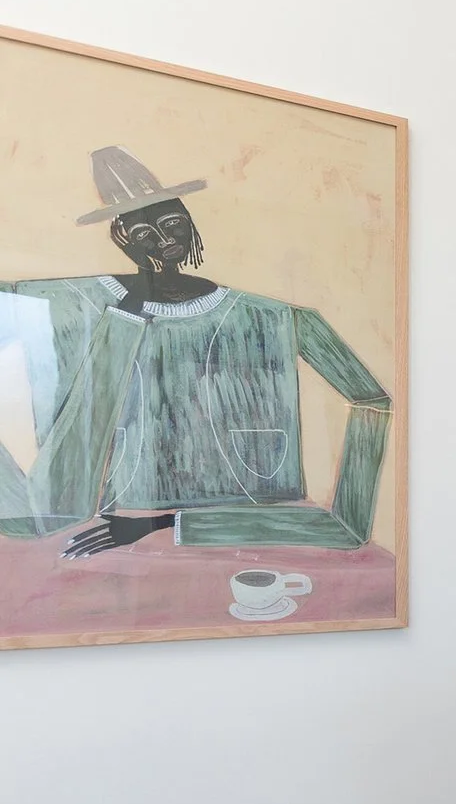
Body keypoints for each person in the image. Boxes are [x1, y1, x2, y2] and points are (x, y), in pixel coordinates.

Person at [0, 147, 392, 556]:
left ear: (190, 220)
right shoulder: (71, 300)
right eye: (143, 233)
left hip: (252, 529)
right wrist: (19, 499)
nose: (165, 239)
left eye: (172, 222)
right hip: (102, 535)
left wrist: (346, 517)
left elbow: (373, 400)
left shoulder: (269, 316)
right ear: (121, 240)